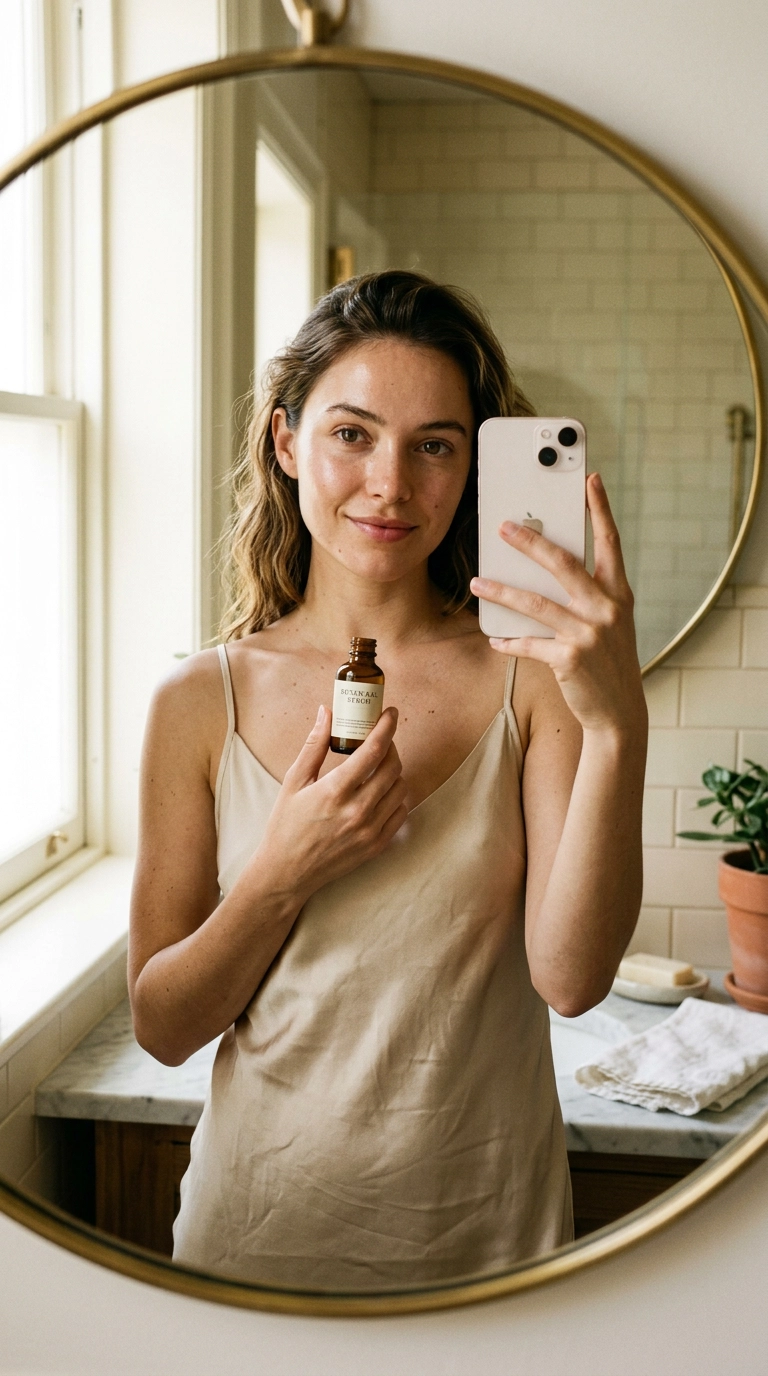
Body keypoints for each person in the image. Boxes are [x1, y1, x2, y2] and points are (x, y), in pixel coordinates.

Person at [128, 270, 648, 1291]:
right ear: (286, 442)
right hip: (253, 1249)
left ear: (472, 467)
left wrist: (616, 721)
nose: (391, 484)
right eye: (352, 434)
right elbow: (163, 1026)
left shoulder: (530, 679)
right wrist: (283, 869)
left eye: (435, 445)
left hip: (490, 1254)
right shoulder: (197, 702)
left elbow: (573, 979)